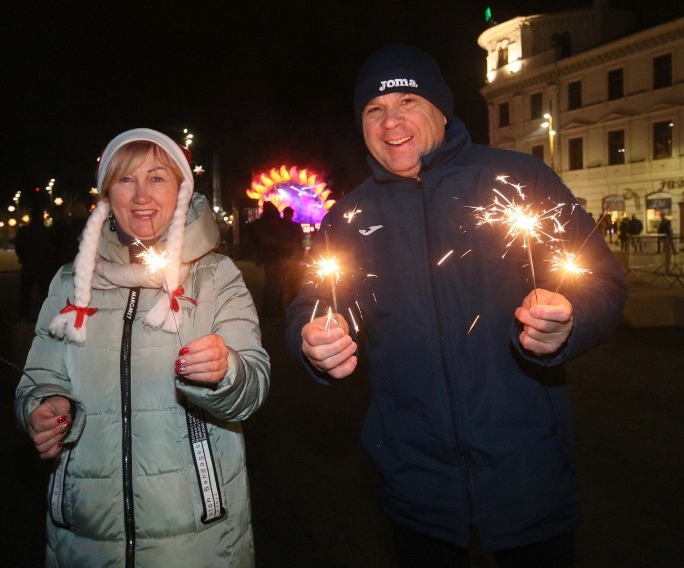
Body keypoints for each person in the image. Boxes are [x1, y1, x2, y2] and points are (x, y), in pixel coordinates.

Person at [285, 44, 627, 566]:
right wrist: (310, 342)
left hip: (526, 467)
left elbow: (601, 280)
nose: (391, 121)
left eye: (408, 102)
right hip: (414, 479)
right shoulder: (349, 216)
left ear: (442, 109)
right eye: (374, 110)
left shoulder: (521, 179)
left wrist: (570, 322)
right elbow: (311, 302)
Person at [14, 128, 270, 566]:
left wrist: (225, 372)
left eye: (156, 178)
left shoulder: (217, 277)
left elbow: (253, 386)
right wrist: (42, 406)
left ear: (182, 190)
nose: (140, 196)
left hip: (196, 536)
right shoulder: (70, 282)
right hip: (86, 531)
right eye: (125, 179)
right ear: (107, 193)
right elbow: (40, 376)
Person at [248, 201, 290, 317]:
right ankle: (275, 307)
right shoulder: (279, 223)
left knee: (271, 282)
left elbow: (253, 232)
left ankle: (270, 308)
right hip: (280, 256)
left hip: (270, 257)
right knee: (277, 283)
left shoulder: (261, 223)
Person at [14, 205, 52, 322]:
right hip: (43, 265)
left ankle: (24, 315)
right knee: (45, 292)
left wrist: (23, 257)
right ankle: (45, 317)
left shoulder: (24, 231)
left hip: (28, 264)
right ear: (42, 217)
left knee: (25, 291)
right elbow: (51, 249)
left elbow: (18, 247)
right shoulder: (47, 232)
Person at [281, 206, 305, 310]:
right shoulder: (296, 226)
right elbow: (302, 240)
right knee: (292, 280)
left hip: (286, 256)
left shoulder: (280, 226)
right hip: (292, 256)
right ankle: (291, 301)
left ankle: (284, 303)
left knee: (285, 281)